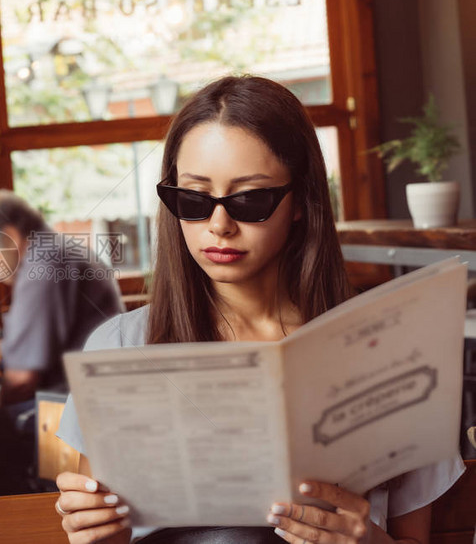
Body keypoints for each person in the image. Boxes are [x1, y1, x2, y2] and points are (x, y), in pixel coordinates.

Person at [53, 76, 465, 544]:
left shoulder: (393, 353)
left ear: (301, 203)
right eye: (193, 199)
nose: (219, 225)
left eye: (249, 199)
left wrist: (367, 541)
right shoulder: (120, 347)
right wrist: (95, 534)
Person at [0, 189, 124, 497]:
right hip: (87, 392)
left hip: (86, 405)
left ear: (8, 235)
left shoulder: (45, 263)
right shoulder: (54, 251)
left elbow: (22, 379)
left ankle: (16, 526)